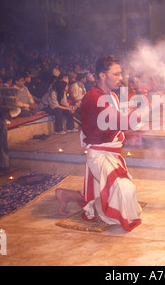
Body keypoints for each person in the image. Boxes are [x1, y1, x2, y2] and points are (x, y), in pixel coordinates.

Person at [55, 55, 142, 231]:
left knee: (102, 192)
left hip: (110, 152)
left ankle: (64, 194)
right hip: (100, 154)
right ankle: (97, 209)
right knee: (125, 191)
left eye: (120, 74)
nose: (120, 78)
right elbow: (116, 121)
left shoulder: (110, 95)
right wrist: (140, 116)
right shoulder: (93, 97)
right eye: (116, 74)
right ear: (102, 75)